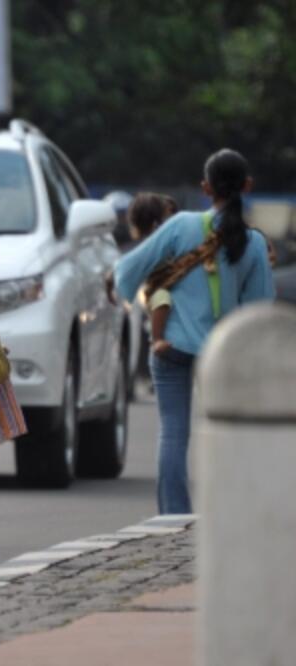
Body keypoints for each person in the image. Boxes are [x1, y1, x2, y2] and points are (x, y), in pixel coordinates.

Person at [115, 149, 275, 514]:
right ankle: (227, 508)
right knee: (224, 431)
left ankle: (173, 516)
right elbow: (259, 308)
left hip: (169, 346)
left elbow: (130, 269)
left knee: (173, 433)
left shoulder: (181, 224)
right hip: (221, 354)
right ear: (247, 186)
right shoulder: (252, 243)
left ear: (205, 188)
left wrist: (124, 297)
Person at [126, 192, 180, 355]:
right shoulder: (151, 245)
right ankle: (157, 339)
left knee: (161, 297)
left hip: (166, 295)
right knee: (160, 298)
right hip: (159, 294)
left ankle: (157, 338)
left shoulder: (161, 242)